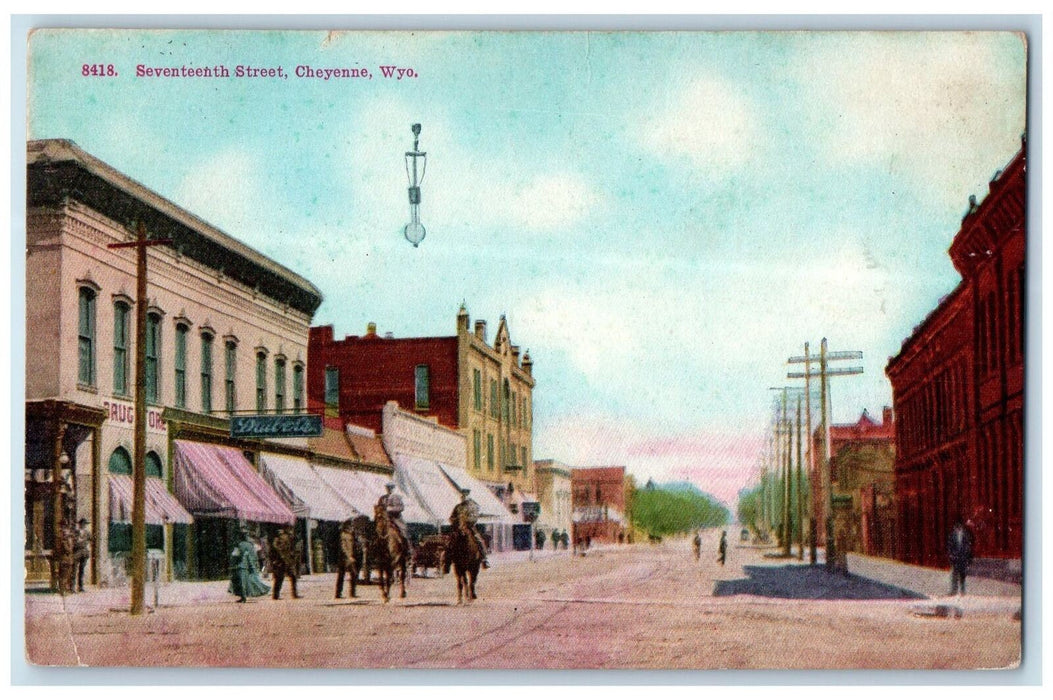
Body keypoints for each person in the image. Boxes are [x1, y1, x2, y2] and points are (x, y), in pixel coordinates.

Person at [449, 488, 489, 569]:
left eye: (465, 495)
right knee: (450, 541)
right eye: (462, 495)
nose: (463, 496)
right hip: (459, 527)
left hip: (470, 527)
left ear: (468, 495)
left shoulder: (473, 506)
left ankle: (484, 559)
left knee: (478, 540)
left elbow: (475, 517)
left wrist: (467, 522)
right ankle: (448, 561)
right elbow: (452, 517)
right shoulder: (458, 507)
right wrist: (454, 521)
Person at [229, 528, 270, 602]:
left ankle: (243, 597)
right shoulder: (250, 544)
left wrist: (233, 560)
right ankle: (244, 596)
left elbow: (236, 554)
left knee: (241, 582)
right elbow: (254, 554)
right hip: (249, 565)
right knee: (247, 581)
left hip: (241, 565)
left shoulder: (240, 544)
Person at [377, 482, 412, 556]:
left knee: (404, 529)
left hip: (395, 517)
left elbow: (401, 508)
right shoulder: (382, 498)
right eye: (387, 488)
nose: (389, 489)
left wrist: (391, 509)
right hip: (384, 517)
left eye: (390, 488)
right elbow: (379, 507)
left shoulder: (396, 497)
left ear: (393, 489)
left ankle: (408, 548)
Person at [270, 526, 301, 600]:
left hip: (284, 561)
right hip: (282, 561)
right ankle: (292, 594)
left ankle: (277, 595)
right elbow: (278, 549)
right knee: (283, 578)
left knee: (283, 578)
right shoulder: (282, 538)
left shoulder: (285, 538)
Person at [947, 518, 974, 596]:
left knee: (962, 575)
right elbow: (950, 546)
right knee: (954, 575)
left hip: (963, 558)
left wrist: (967, 556)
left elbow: (968, 546)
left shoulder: (966, 535)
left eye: (959, 526)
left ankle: (962, 591)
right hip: (955, 558)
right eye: (956, 526)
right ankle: (954, 591)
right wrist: (951, 555)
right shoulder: (952, 535)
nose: (958, 528)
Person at [335, 519, 358, 599]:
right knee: (343, 575)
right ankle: (339, 593)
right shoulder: (343, 534)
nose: (351, 526)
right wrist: (349, 556)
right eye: (350, 525)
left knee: (352, 574)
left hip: (350, 557)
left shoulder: (351, 534)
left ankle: (351, 592)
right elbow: (343, 547)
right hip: (345, 559)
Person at [73, 518, 91, 592]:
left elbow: (91, 540)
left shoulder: (87, 533)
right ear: (79, 525)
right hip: (77, 552)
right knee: (74, 570)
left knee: (82, 570)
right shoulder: (75, 532)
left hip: (84, 553)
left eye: (85, 524)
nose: (83, 526)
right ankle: (72, 586)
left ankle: (80, 587)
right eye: (82, 524)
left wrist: (88, 547)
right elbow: (73, 541)